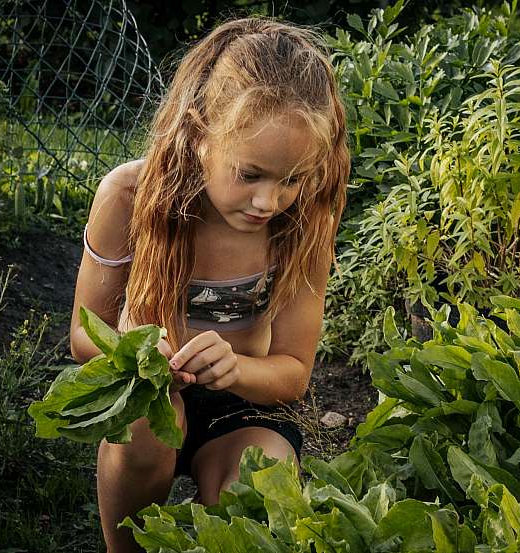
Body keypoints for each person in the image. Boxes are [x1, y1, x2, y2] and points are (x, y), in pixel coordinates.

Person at [68, 16, 349, 552]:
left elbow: (292, 373)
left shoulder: (306, 219)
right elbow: (84, 337)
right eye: (251, 174)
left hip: (247, 399)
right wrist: (134, 352)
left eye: (290, 179)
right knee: (147, 430)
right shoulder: (129, 196)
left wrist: (235, 367)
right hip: (150, 395)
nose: (269, 202)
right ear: (200, 136)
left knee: (257, 488)